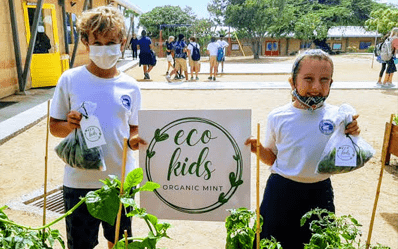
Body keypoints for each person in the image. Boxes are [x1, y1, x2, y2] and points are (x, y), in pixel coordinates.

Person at [49, 6, 146, 249]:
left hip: (120, 181)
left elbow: (134, 127)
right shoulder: (70, 79)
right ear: (85, 42)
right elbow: (54, 127)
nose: (104, 48)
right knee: (81, 245)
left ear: (122, 42)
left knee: (119, 242)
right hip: (79, 182)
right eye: (97, 42)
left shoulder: (131, 86)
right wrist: (69, 125)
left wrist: (134, 140)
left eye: (111, 42)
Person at [245, 49, 361, 249]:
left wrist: (354, 133)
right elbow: (273, 158)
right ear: (292, 82)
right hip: (280, 191)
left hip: (320, 192)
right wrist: (257, 148)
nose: (316, 87)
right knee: (271, 241)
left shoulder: (338, 116)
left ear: (331, 83)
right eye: (308, 79)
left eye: (324, 80)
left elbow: (349, 155)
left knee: (316, 242)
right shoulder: (278, 116)